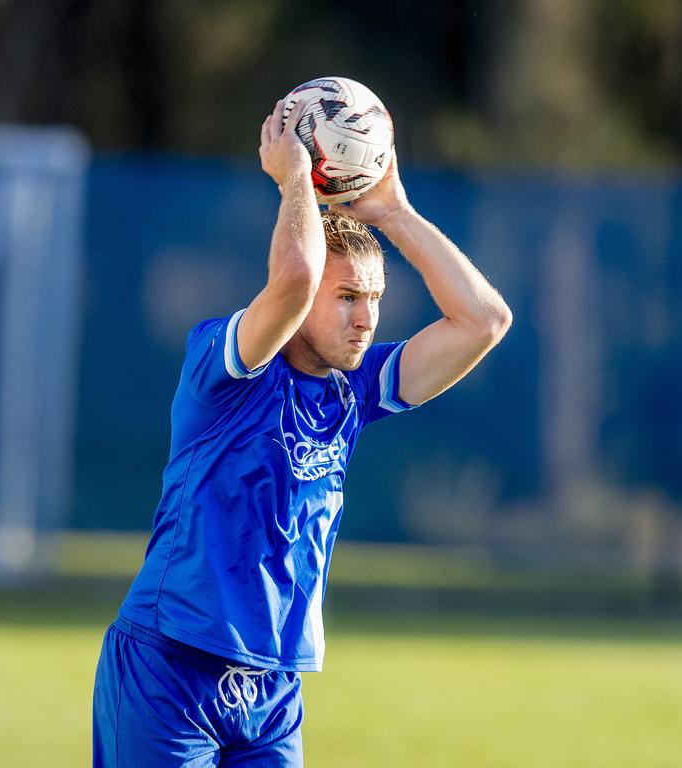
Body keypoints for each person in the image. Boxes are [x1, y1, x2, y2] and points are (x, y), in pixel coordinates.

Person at [92, 97, 512, 767]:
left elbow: (484, 321)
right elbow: (292, 278)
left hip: (274, 686)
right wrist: (294, 182)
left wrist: (393, 211)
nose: (366, 318)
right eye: (347, 297)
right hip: (170, 665)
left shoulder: (354, 389)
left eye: (374, 299)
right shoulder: (222, 368)